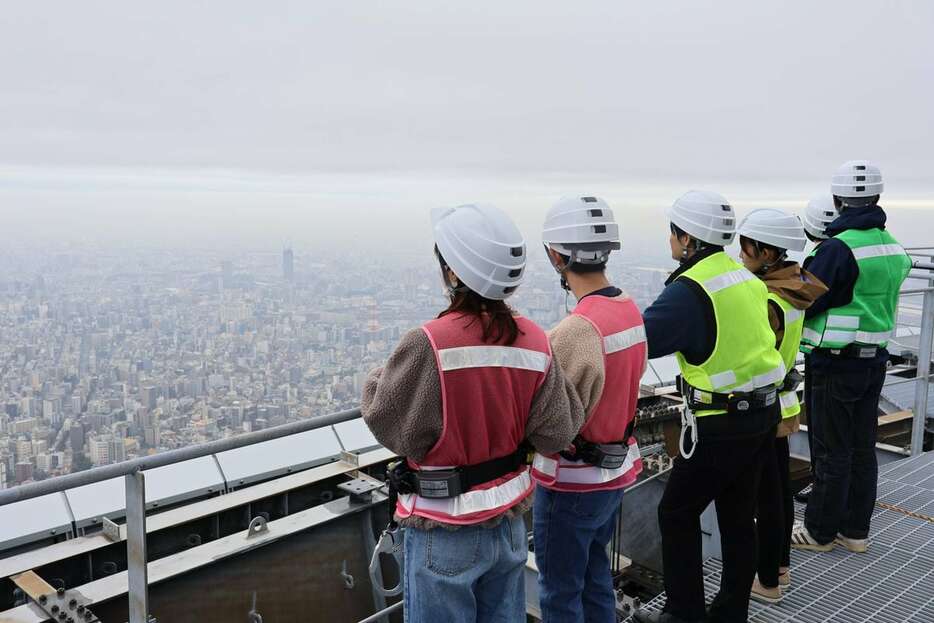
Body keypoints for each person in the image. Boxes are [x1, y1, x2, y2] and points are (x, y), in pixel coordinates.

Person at [361, 203, 584, 623]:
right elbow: (557, 431)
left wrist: (378, 378)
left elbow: (391, 422)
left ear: (454, 274)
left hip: (443, 531)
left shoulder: (430, 343)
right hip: (509, 526)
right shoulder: (534, 342)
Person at [633, 190, 784, 623]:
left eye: (673, 234)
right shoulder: (745, 279)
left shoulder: (690, 290)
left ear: (687, 239)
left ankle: (684, 615)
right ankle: (730, 611)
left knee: (676, 512)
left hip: (719, 424)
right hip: (762, 415)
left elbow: (644, 339)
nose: (671, 242)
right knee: (739, 515)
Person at [531, 196, 647, 623]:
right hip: (614, 472)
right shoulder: (629, 309)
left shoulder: (576, 329)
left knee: (560, 590)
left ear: (556, 255)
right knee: (596, 575)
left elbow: (549, 421)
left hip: (571, 483)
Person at [791, 161, 911, 553]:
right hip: (873, 360)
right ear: (876, 197)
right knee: (862, 449)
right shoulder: (891, 246)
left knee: (830, 451)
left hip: (835, 364)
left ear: (839, 199)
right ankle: (855, 531)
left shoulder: (839, 250)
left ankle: (820, 532)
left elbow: (802, 300)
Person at [735, 209, 827, 603]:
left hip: (763, 406)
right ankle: (781, 567)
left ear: (764, 250)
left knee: (765, 496)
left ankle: (768, 580)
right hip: (786, 402)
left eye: (745, 247)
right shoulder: (795, 285)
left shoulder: (766, 298)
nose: (740, 254)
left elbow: (751, 356)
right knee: (779, 489)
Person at [794, 195, 838, 505]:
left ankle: (824, 507)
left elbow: (806, 303)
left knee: (825, 435)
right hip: (854, 354)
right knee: (848, 438)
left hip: (827, 356)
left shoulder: (825, 258)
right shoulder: (850, 252)